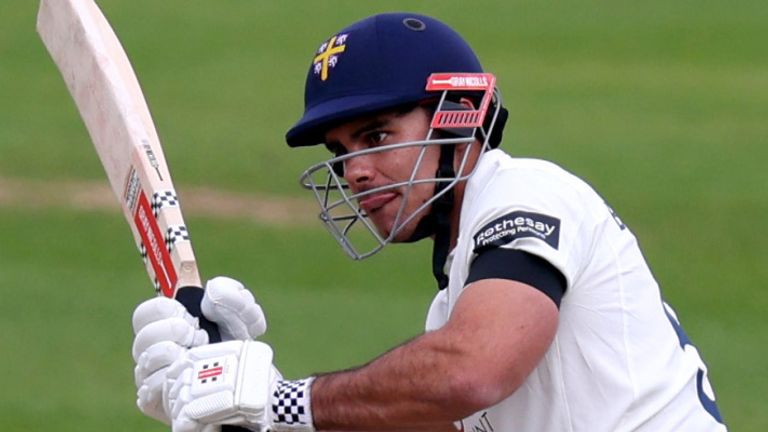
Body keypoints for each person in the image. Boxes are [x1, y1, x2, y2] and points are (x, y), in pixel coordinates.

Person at [131, 12, 728, 432]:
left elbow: (474, 371)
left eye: (377, 136)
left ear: (458, 120)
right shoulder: (454, 305)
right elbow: (421, 411)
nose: (356, 172)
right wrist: (233, 401)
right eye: (341, 153)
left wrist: (279, 399)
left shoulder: (528, 192)